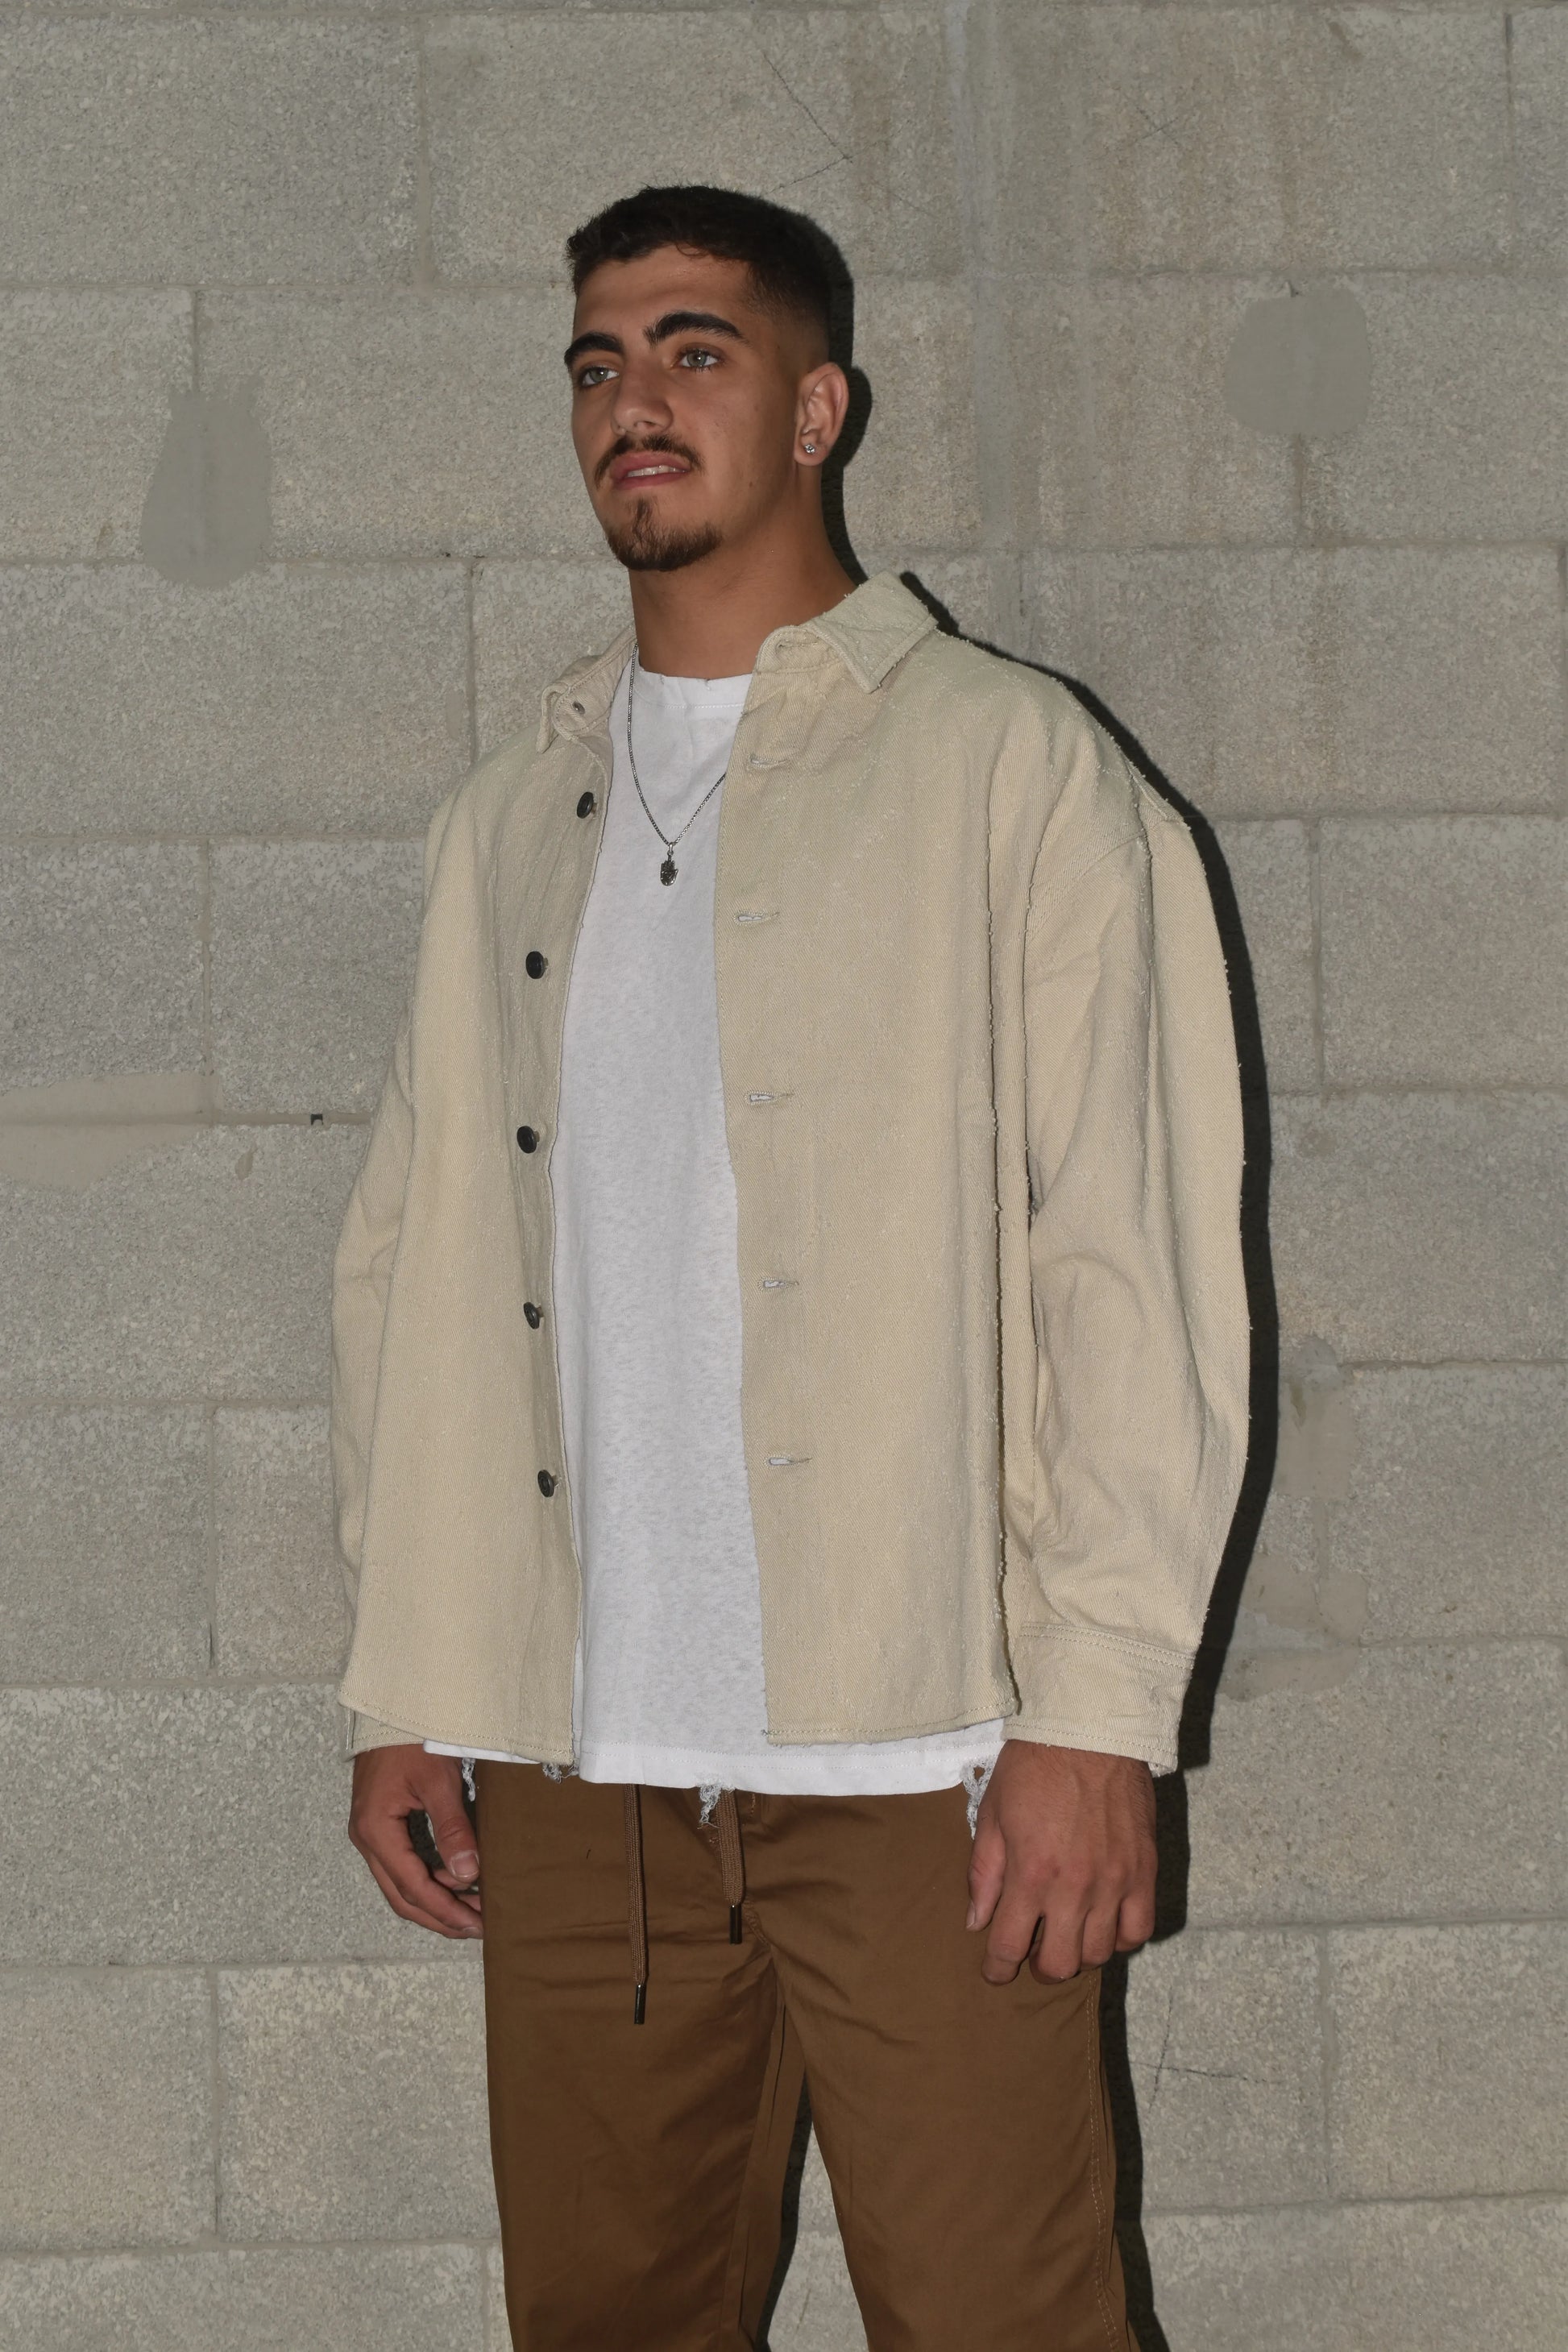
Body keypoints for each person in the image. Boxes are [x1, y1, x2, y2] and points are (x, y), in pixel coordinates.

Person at [334, 183, 1248, 2352]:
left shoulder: (1009, 769)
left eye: (694, 351)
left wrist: (1099, 1718)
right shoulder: (509, 818)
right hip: (580, 1772)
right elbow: (413, 1267)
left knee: (1010, 2328)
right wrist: (406, 1685)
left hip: (927, 1763)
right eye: (597, 362)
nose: (631, 402)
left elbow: (1129, 1263)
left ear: (821, 408)